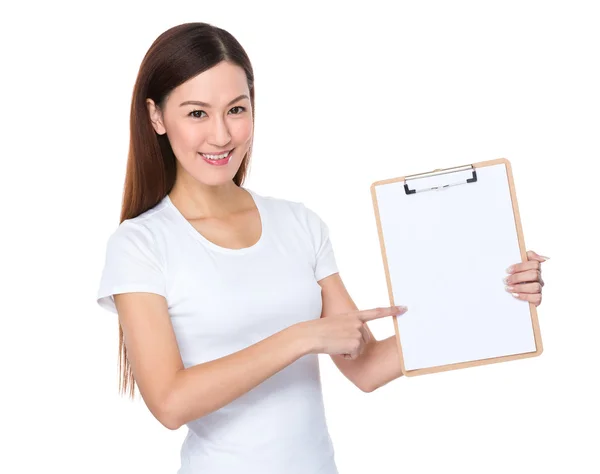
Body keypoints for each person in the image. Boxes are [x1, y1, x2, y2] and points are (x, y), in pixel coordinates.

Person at [96, 22, 548, 473]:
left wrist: (494, 289)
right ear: (156, 116)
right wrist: (301, 337)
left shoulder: (298, 224)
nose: (221, 135)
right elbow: (170, 404)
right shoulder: (140, 245)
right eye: (197, 113)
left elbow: (366, 367)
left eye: (236, 109)